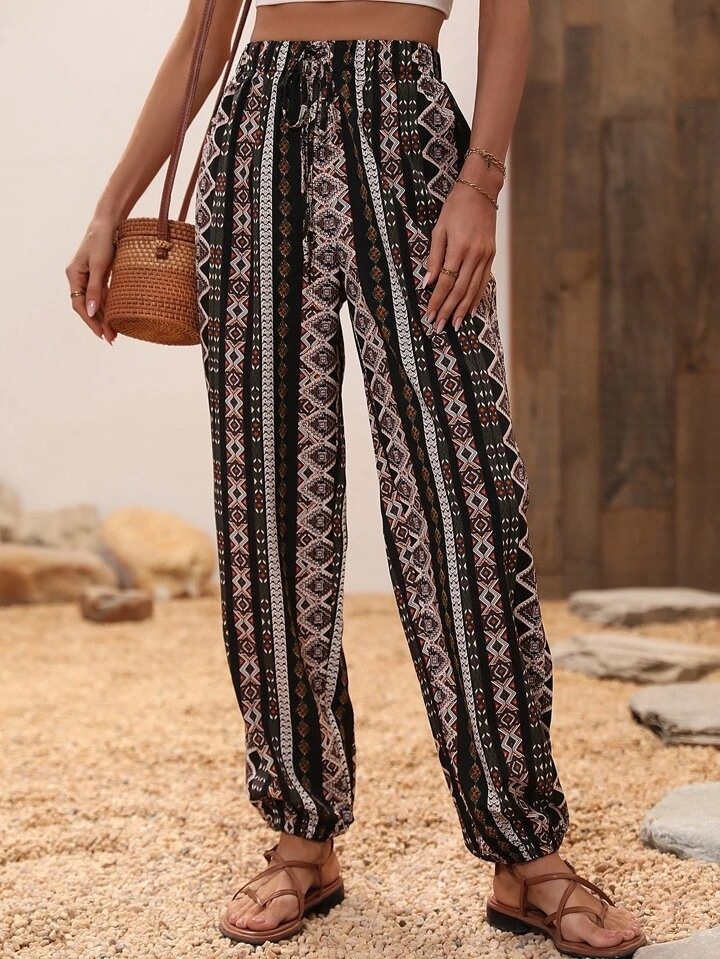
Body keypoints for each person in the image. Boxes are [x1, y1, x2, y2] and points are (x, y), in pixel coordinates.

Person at [66, 0, 647, 955]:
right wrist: (107, 210)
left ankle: (526, 852)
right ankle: (303, 838)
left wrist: (481, 182)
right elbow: (203, 37)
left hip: (409, 130)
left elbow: (510, 16)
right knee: (267, 502)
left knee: (463, 498)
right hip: (259, 137)